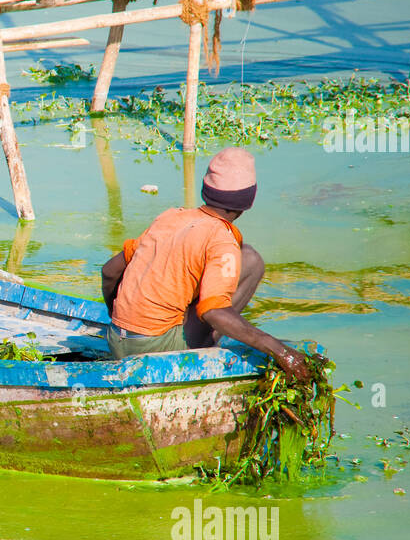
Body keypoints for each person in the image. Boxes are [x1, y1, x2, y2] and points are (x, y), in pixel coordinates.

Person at [100, 146, 311, 381]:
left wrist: (118, 318)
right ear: (247, 200)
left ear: (205, 189)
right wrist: (279, 350)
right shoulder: (221, 239)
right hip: (156, 351)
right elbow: (213, 312)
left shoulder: (170, 218)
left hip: (115, 340)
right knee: (251, 261)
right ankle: (204, 346)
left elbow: (110, 272)